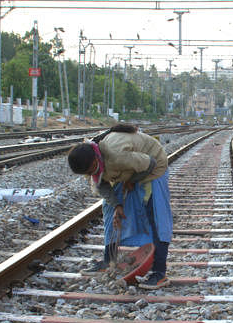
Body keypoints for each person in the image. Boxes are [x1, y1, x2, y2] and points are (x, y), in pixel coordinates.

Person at [66, 124, 172, 290]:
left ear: (96, 160)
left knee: (156, 215)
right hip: (126, 170)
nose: (91, 175)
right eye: (88, 173)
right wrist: (117, 205)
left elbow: (150, 163)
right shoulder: (93, 161)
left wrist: (132, 181)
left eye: (92, 170)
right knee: (109, 210)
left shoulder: (117, 156)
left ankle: (160, 273)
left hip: (153, 166)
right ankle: (109, 260)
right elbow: (101, 184)